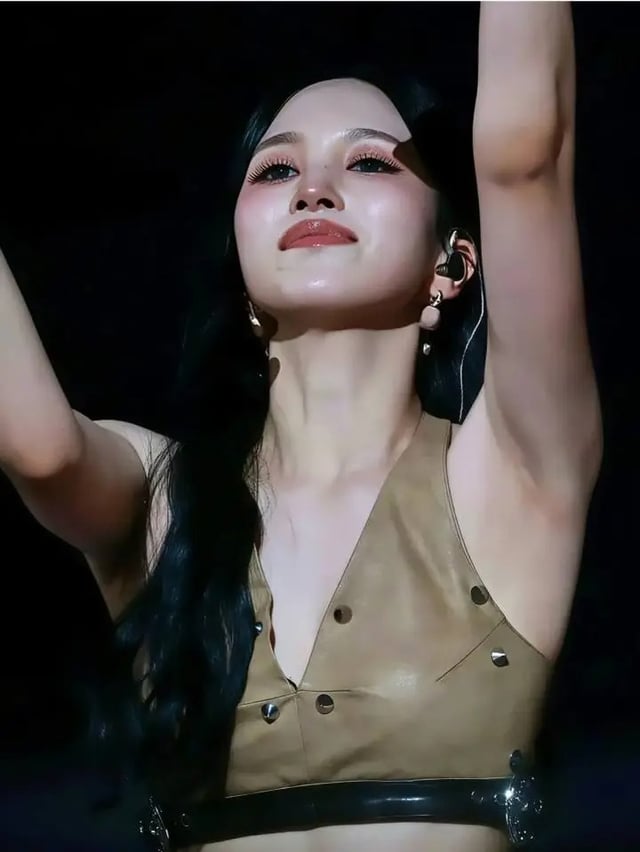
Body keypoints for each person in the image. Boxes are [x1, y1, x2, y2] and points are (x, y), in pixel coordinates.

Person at [0, 3, 601, 851]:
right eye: (276, 170)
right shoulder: (166, 498)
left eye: (368, 161)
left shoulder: (509, 474)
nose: (313, 188)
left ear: (454, 263)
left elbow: (524, 157)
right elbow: (38, 448)